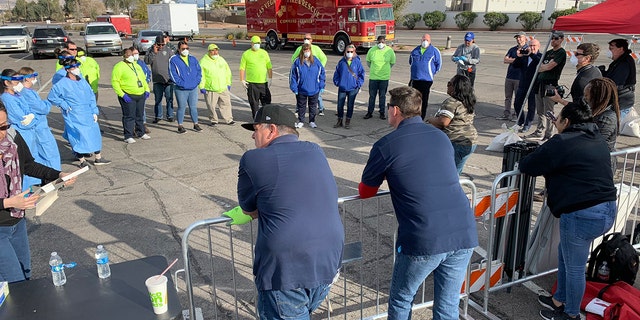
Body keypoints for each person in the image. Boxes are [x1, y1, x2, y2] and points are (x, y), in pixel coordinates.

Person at [359, 86, 478, 320]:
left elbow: (365, 191)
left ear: (395, 110)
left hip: (425, 235)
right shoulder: (440, 137)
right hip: (463, 230)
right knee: (447, 305)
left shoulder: (386, 145)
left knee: (402, 298)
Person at [234, 104, 344, 320]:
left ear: (271, 129)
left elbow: (249, 209)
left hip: (286, 269)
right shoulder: (315, 150)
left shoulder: (253, 158)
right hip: (328, 261)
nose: (253, 137)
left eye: (256, 130)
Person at [519, 102, 617, 320]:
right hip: (607, 208)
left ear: (566, 122)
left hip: (582, 213)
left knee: (574, 267)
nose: (556, 122)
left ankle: (571, 313)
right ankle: (560, 297)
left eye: (558, 119)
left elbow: (528, 166)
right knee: (566, 253)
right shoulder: (596, 137)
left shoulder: (562, 141)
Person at [0, 101, 77, 283]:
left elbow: (29, 165)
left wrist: (58, 175)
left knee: (25, 275)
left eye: (4, 125)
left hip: (17, 221)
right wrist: (9, 203)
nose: (2, 132)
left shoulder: (11, 137)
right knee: (14, 281)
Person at [48, 58, 110, 168]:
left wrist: (94, 111)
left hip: (87, 112)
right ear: (67, 70)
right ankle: (82, 160)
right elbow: (52, 97)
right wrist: (64, 105)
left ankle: (98, 157)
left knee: (94, 134)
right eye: (74, 67)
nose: (77, 69)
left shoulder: (81, 79)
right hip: (74, 114)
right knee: (77, 137)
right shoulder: (62, 84)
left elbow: (90, 95)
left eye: (77, 66)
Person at [1, 69, 54, 190]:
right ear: (6, 83)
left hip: (30, 134)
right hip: (21, 134)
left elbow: (30, 113)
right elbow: (22, 120)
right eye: (16, 80)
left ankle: (28, 188)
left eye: (20, 79)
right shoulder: (7, 99)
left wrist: (32, 117)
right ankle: (22, 190)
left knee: (30, 161)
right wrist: (33, 117)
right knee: (21, 164)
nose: (19, 83)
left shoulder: (18, 95)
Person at [428, 75, 478, 174]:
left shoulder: (451, 102)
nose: (447, 86)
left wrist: (430, 119)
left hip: (456, 142)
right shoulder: (467, 101)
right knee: (456, 172)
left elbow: (443, 122)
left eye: (449, 84)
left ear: (456, 87)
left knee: (447, 174)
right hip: (470, 141)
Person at [17, 67, 61, 172]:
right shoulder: (25, 93)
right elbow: (42, 108)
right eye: (33, 76)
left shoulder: (28, 91)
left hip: (40, 126)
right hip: (39, 128)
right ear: (27, 79)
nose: (35, 79)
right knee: (49, 153)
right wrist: (47, 103)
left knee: (44, 152)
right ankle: (53, 176)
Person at [529, 31, 566, 141]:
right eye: (552, 39)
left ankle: (549, 134)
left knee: (548, 111)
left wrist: (543, 67)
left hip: (550, 83)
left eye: (555, 39)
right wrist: (543, 67)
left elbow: (550, 66)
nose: (553, 41)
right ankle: (540, 130)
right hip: (540, 83)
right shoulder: (548, 52)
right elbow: (538, 66)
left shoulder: (561, 52)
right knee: (540, 110)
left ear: (561, 39)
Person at [112, 48, 151, 143]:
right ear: (124, 56)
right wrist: (122, 94)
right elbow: (115, 82)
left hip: (140, 94)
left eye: (131, 55)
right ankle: (128, 135)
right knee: (129, 116)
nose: (131, 57)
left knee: (140, 115)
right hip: (128, 95)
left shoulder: (136, 65)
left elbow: (142, 78)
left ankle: (140, 132)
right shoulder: (119, 66)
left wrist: (147, 89)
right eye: (128, 55)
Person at [169, 40, 202, 134]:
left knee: (193, 107)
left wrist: (196, 81)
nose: (185, 50)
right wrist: (181, 84)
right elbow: (172, 74)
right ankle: (180, 125)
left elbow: (199, 71)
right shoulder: (173, 59)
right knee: (181, 107)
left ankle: (196, 124)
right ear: (179, 49)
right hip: (181, 88)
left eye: (187, 48)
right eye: (183, 49)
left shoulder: (193, 58)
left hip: (193, 87)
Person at [289, 43, 325, 129]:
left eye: (308, 50)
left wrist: (321, 86)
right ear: (302, 51)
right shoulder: (297, 62)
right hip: (301, 89)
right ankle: (301, 120)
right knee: (301, 106)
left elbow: (322, 74)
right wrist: (294, 87)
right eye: (305, 50)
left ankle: (312, 121)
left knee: (313, 106)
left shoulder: (316, 61)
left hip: (314, 89)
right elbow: (293, 76)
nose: (307, 52)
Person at [291, 33, 327, 116]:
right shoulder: (300, 48)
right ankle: (298, 109)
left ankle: (321, 108)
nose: (306, 40)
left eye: (308, 38)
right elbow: (293, 58)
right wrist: (299, 67)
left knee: (316, 94)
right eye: (305, 38)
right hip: (304, 74)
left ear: (311, 40)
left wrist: (319, 68)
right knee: (301, 96)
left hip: (314, 75)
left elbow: (324, 58)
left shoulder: (316, 48)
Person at [199, 43, 234, 126]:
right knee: (211, 105)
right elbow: (201, 75)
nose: (215, 52)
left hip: (222, 87)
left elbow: (227, 72)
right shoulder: (203, 61)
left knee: (226, 104)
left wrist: (228, 83)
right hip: (211, 88)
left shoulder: (221, 59)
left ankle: (229, 119)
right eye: (212, 51)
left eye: (216, 50)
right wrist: (201, 86)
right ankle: (213, 119)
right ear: (209, 51)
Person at [409, 33, 442, 120]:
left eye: (427, 40)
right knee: (414, 99)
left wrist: (431, 73)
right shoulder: (415, 50)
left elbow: (439, 65)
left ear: (430, 41)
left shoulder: (434, 51)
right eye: (423, 40)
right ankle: (414, 116)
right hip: (415, 79)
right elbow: (411, 62)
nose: (425, 41)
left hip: (426, 80)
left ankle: (421, 117)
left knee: (424, 99)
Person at [602, 38, 636, 120]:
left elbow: (616, 84)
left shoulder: (624, 63)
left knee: (611, 127)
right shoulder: (618, 61)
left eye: (611, 49)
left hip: (621, 102)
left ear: (621, 49)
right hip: (618, 101)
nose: (609, 51)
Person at [333, 43, 365, 129]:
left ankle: (348, 121)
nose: (349, 53)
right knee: (340, 105)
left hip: (353, 88)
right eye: (348, 51)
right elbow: (337, 73)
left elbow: (362, 73)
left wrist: (358, 84)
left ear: (354, 52)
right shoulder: (342, 62)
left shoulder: (357, 62)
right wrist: (337, 82)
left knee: (350, 105)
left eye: (351, 51)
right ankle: (339, 120)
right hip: (342, 87)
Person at [513, 39, 542, 133]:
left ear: (538, 46)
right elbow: (515, 65)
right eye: (530, 45)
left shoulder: (540, 56)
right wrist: (519, 56)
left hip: (533, 85)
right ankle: (520, 121)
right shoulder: (525, 56)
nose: (532, 47)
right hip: (522, 84)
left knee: (531, 106)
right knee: (517, 104)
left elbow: (539, 62)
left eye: (534, 46)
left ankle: (527, 124)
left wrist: (531, 54)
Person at [584, 77, 620, 153]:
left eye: (586, 96)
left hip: (601, 160)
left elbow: (594, 142)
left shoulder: (606, 118)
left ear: (597, 97)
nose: (584, 99)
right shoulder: (594, 111)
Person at [240, 36, 273, 118]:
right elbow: (242, 68)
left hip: (263, 82)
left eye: (258, 43)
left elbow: (269, 67)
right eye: (255, 43)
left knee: (266, 101)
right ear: (251, 43)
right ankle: (256, 118)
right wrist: (242, 80)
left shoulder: (264, 53)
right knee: (254, 103)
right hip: (252, 83)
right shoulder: (246, 54)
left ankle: (267, 117)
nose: (257, 45)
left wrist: (270, 78)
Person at [364, 35, 395, 120]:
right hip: (373, 77)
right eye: (379, 42)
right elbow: (368, 62)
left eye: (382, 42)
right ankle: (370, 112)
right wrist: (374, 70)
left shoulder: (389, 51)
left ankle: (382, 112)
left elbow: (392, 62)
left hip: (384, 78)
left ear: (385, 42)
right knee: (372, 96)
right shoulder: (372, 50)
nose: (380, 44)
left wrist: (385, 70)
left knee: (382, 96)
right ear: (376, 42)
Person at [145, 35, 175, 123]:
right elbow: (147, 61)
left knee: (169, 99)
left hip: (168, 79)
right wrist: (154, 53)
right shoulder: (151, 50)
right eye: (159, 44)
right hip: (157, 79)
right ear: (155, 43)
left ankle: (170, 115)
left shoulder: (168, 50)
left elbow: (174, 62)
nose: (161, 46)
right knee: (158, 99)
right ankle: (158, 116)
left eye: (162, 44)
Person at [499, 31, 528, 120]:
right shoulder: (512, 49)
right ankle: (506, 114)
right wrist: (516, 60)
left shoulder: (527, 49)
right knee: (508, 97)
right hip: (510, 76)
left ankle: (516, 115)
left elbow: (524, 61)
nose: (518, 39)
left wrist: (513, 60)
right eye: (517, 38)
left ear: (525, 38)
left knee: (518, 98)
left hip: (519, 78)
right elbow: (505, 60)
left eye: (520, 37)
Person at [132, 47, 152, 134]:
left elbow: (147, 72)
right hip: (132, 91)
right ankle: (132, 126)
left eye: (137, 53)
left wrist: (147, 81)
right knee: (132, 110)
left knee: (141, 109)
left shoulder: (141, 63)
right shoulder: (127, 64)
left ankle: (143, 125)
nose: (136, 55)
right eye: (134, 54)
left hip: (142, 90)